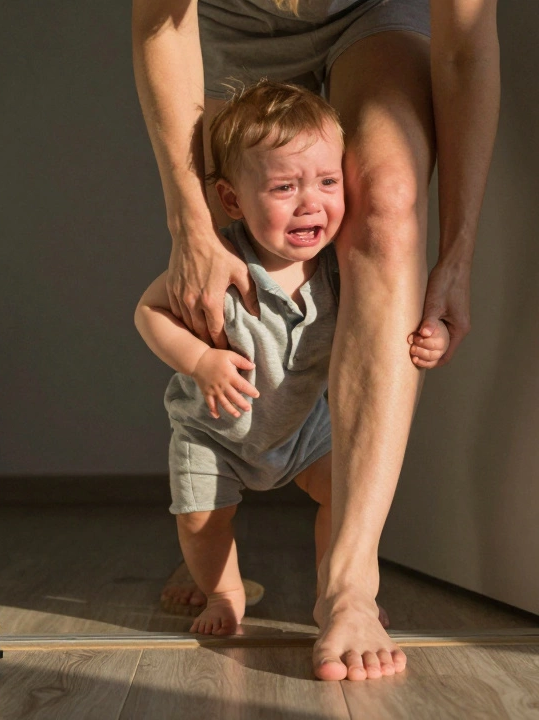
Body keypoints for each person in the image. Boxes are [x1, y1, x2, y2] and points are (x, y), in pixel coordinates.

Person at [132, 0, 500, 681]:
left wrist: (457, 255)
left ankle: (350, 583)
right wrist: (191, 229)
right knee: (232, 234)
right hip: (228, 21)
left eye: (325, 185)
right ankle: (215, 569)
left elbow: (463, 50)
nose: (314, 199)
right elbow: (163, 24)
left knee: (385, 199)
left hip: (371, 14)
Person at [135, 80, 449, 637]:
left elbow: (385, 321)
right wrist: (199, 361)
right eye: (285, 186)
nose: (311, 202)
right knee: (203, 520)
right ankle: (223, 594)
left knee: (345, 494)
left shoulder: (341, 267)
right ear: (233, 200)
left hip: (305, 431)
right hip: (215, 434)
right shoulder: (222, 259)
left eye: (328, 181)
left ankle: (338, 589)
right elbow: (149, 311)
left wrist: (434, 333)